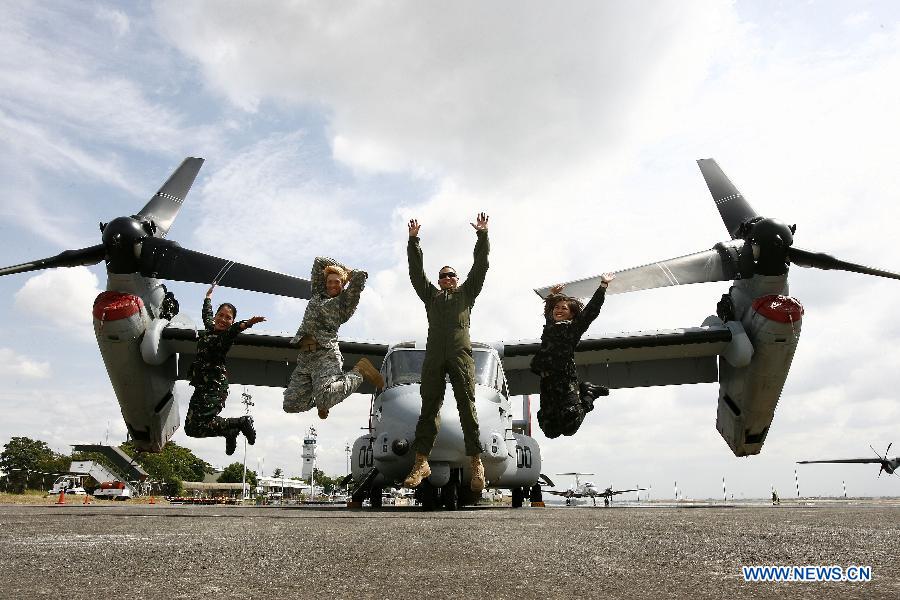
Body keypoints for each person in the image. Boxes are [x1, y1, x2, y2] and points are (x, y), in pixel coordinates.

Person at [403, 213, 490, 492]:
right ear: (439, 281)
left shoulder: (467, 294)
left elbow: (481, 266)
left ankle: (476, 461)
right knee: (429, 407)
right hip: (434, 357)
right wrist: (414, 242)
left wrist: (482, 236)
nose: (447, 278)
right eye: (443, 276)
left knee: (467, 406)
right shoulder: (431, 296)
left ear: (457, 279)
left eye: (451, 274)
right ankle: (421, 461)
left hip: (461, 356)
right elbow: (417, 274)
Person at [283, 257, 384, 420]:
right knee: (290, 404)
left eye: (336, 282)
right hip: (306, 357)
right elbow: (318, 261)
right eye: (329, 281)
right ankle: (322, 402)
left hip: (326, 355)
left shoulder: (345, 302)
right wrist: (340, 268)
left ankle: (359, 371)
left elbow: (359, 278)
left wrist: (349, 273)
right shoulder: (317, 292)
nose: (331, 285)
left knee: (325, 398)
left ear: (342, 284)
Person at [530, 274, 615, 439]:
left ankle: (588, 394)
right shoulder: (550, 326)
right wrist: (552, 296)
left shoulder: (573, 328)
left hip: (565, 378)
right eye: (557, 307)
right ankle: (584, 392)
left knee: (570, 426)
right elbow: (549, 310)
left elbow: (591, 311)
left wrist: (603, 286)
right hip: (547, 381)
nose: (559, 310)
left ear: (571, 314)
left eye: (564, 308)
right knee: (550, 431)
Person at [184, 285, 265, 455]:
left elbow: (235, 330)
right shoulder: (208, 330)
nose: (223, 319)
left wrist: (247, 323)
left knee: (199, 426)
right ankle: (229, 431)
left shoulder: (225, 337)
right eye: (220, 315)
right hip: (201, 387)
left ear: (231, 321)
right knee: (191, 428)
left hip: (214, 388)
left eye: (228, 318)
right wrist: (208, 297)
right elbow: (206, 314)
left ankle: (241, 423)